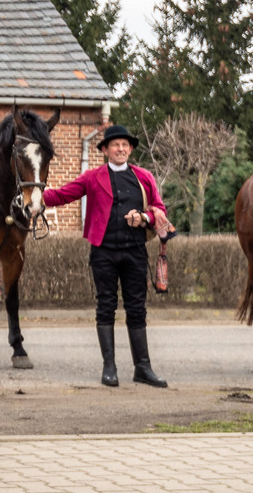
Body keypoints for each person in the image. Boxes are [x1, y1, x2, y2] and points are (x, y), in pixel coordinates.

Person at [42, 124, 170, 389]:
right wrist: (35, 196)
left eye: (125, 145)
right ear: (105, 150)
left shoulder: (144, 176)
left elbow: (159, 207)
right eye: (115, 145)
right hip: (103, 252)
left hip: (135, 252)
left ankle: (142, 368)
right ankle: (109, 367)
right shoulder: (92, 177)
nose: (120, 149)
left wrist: (144, 217)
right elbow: (63, 195)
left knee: (137, 308)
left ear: (131, 149)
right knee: (106, 306)